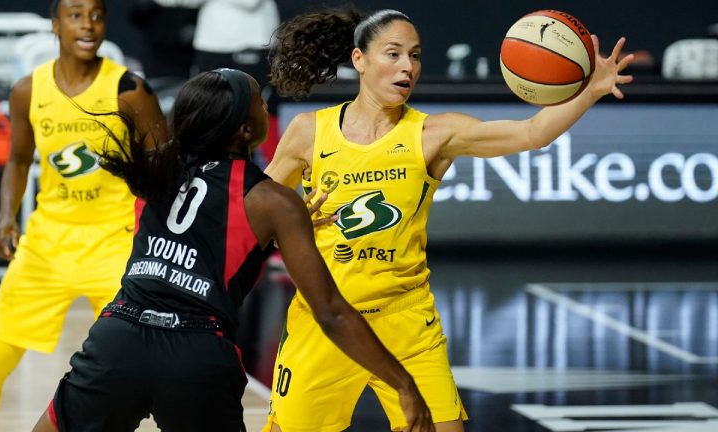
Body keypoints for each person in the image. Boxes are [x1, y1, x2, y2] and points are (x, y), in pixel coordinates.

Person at [262, 9, 634, 432]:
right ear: (359, 59)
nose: (408, 66)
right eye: (394, 53)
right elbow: (255, 213)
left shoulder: (436, 134)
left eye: (416, 56)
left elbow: (531, 133)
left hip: (404, 321)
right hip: (325, 320)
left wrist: (590, 91)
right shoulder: (310, 131)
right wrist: (288, 229)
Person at [29, 68, 434, 432]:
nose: (265, 106)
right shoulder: (272, 202)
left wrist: (277, 231)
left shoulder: (155, 167)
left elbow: (201, 222)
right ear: (244, 129)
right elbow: (329, 312)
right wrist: (404, 383)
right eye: (259, 100)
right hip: (197, 355)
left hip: (121, 338)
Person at [0, 1, 167, 431]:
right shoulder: (28, 90)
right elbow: (16, 162)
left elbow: (165, 165)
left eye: (96, 15)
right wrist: (5, 219)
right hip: (46, 247)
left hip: (115, 244)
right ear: (55, 26)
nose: (87, 25)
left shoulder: (129, 89)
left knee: (137, 367)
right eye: (75, 16)